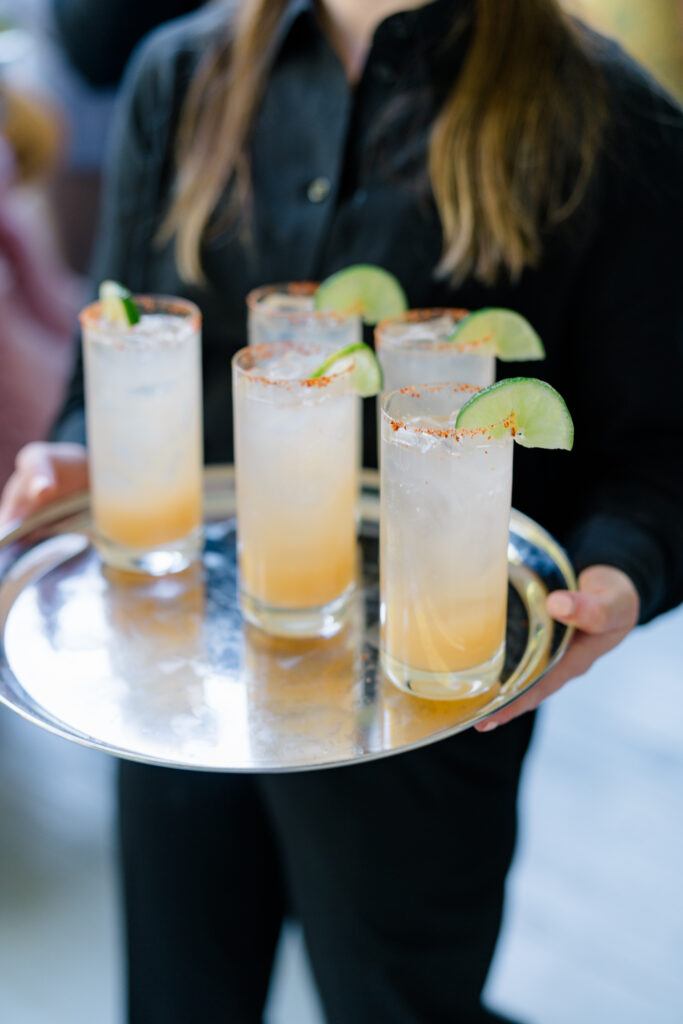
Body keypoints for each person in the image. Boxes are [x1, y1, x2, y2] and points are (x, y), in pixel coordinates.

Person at [1, 1, 682, 1021]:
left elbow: (662, 454)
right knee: (180, 999)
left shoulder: (607, 116)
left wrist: (620, 569)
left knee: (394, 1001)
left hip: (427, 702)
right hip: (182, 660)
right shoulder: (179, 75)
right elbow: (123, 339)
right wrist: (83, 448)